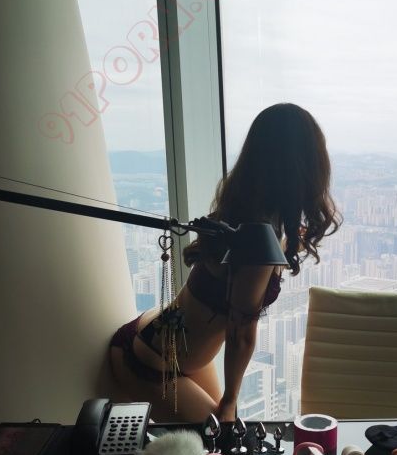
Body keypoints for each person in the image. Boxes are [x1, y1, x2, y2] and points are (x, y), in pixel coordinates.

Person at [110, 103, 341, 423]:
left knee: (221, 435)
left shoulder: (246, 210)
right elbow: (240, 333)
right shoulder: (258, 237)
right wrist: (230, 401)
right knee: (221, 440)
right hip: (150, 360)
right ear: (303, 165)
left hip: (164, 342)